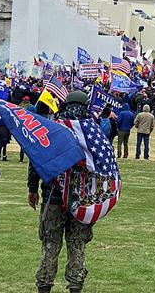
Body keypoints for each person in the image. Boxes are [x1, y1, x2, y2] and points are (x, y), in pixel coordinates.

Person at [30, 91, 96, 293]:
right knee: (77, 245)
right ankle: (75, 286)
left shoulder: (53, 128)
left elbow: (37, 159)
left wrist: (32, 188)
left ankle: (45, 285)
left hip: (53, 197)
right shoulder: (92, 132)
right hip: (82, 199)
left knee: (50, 244)